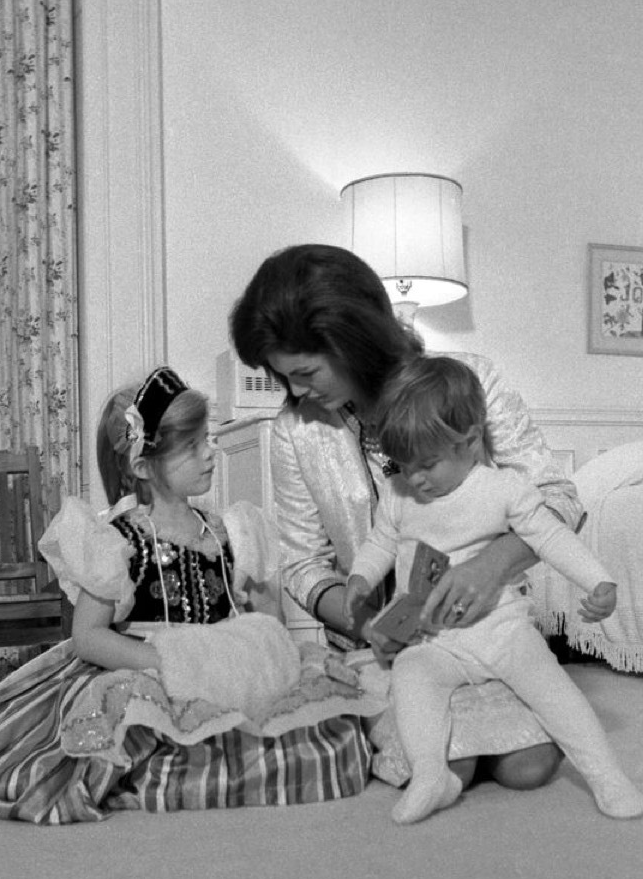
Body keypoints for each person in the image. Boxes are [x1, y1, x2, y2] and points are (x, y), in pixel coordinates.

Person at [0, 367, 373, 824]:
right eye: (192, 447)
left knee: (320, 721)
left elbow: (260, 610)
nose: (210, 454)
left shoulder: (230, 529)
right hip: (149, 662)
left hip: (222, 668)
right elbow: (88, 637)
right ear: (142, 466)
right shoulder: (120, 540)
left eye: (207, 440)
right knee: (123, 714)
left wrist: (262, 653)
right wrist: (160, 663)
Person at [229, 243, 586, 793]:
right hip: (382, 648)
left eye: (304, 372)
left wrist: (491, 565)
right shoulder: (296, 429)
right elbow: (303, 565)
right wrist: (364, 622)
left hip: (485, 630)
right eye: (285, 379)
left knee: (530, 768)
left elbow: (559, 496)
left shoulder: (467, 381)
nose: (297, 392)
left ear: (353, 342)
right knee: (448, 766)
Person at [343, 355, 643, 824]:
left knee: (554, 690)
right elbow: (381, 541)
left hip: (501, 628)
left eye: (427, 464)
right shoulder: (401, 493)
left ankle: (607, 775)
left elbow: (549, 536)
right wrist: (361, 578)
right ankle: (431, 775)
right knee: (411, 679)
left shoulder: (503, 488)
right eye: (404, 465)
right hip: (434, 638)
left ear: (468, 441)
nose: (416, 478)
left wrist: (597, 580)